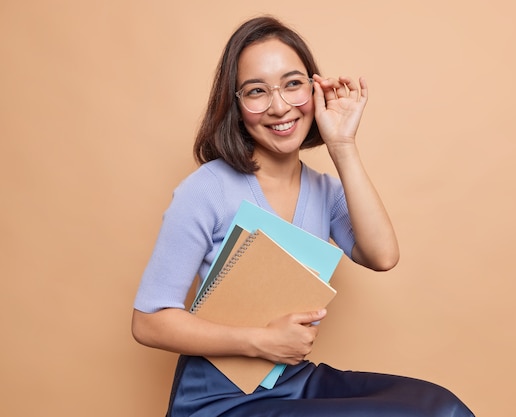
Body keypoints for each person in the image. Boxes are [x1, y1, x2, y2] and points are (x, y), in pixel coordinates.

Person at [132, 15, 474, 417]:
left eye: (293, 84)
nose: (279, 107)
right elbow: (148, 322)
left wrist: (342, 143)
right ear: (236, 105)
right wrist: (260, 342)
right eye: (257, 91)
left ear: (315, 89)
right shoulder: (206, 189)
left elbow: (382, 256)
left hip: (293, 382)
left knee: (442, 408)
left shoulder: (325, 192)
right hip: (217, 400)